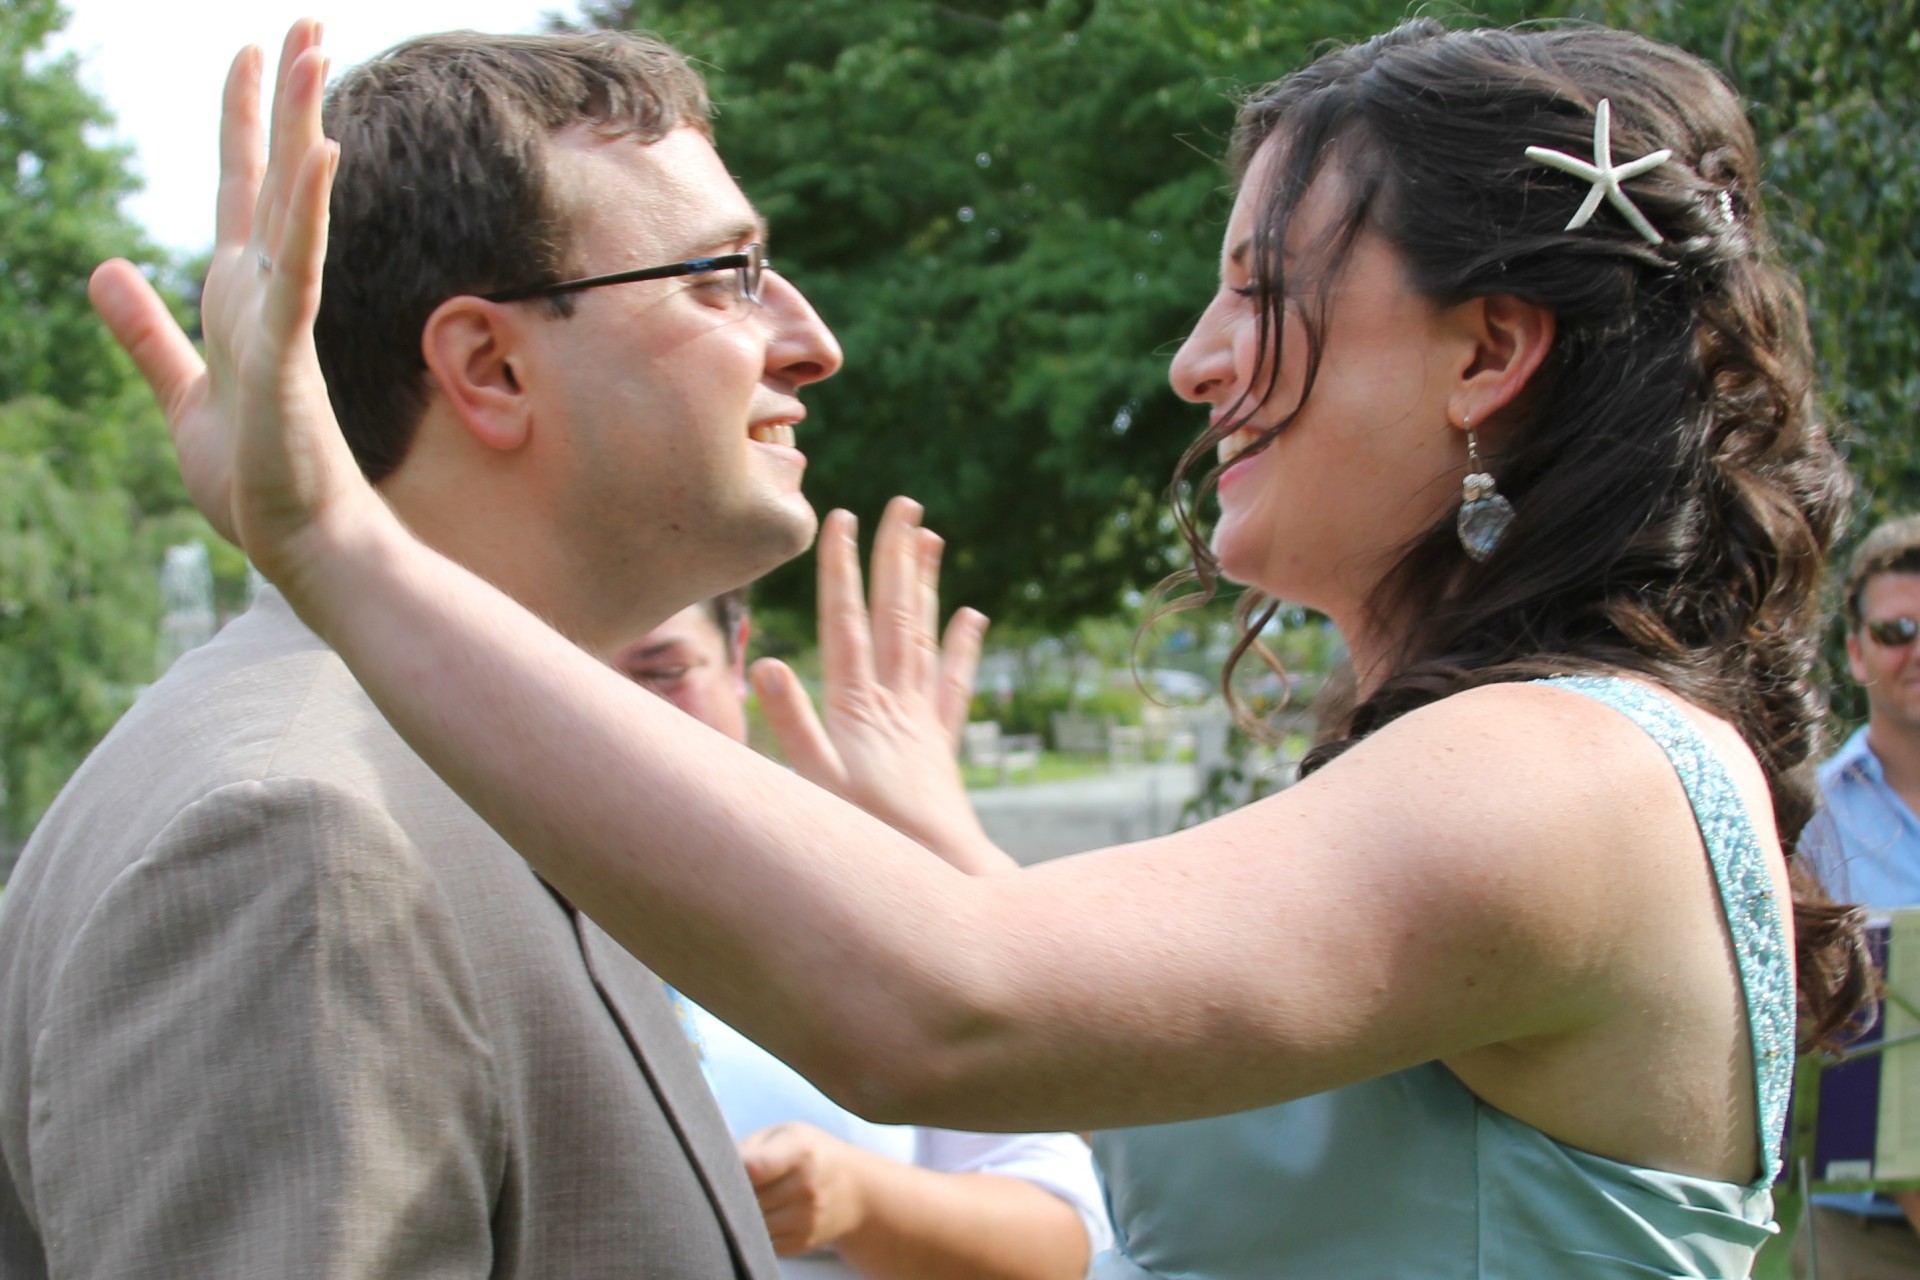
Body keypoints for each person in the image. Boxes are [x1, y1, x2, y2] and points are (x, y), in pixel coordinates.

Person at [110, 17, 1874, 1278]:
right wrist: (947, 845)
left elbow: (949, 1013)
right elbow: (1118, 1040)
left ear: (1488, 354)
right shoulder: (1495, 760)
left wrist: (332, 537)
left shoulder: (1565, 771)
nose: (1195, 360)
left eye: (1264, 294)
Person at [0, 24, 845, 1278]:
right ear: (489, 366)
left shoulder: (469, 762)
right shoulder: (305, 839)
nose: (809, 338)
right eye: (724, 274)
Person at [614, 594, 1112, 1279]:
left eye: (663, 672)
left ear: (737, 655)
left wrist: (861, 1201)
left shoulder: (855, 870)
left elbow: (1064, 1237)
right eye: (567, 665)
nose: (607, 709)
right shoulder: (456, 884)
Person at [1795, 515, 1920, 1275]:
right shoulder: (1810, 817)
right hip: (1862, 1231)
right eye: (1897, 629)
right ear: (1855, 650)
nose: (1918, 650)